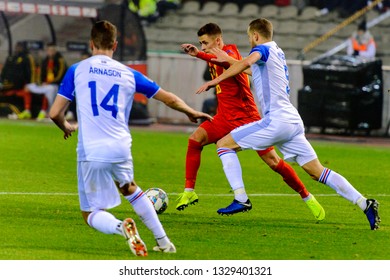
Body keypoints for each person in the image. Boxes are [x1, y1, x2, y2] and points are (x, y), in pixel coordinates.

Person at [196, 18, 380, 230]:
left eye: (249, 38)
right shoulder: (277, 52)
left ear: (255, 36)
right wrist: (216, 55)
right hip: (292, 121)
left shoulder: (262, 50)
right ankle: (365, 203)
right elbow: (245, 67)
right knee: (317, 171)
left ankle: (241, 198)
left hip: (276, 120)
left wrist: (214, 81)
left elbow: (246, 63)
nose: (250, 42)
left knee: (224, 145)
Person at [49, 20, 212, 256]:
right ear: (115, 45)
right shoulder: (129, 73)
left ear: (91, 43)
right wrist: (191, 111)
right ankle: (164, 242)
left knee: (90, 213)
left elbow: (55, 112)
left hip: (92, 150)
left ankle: (121, 228)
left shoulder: (78, 69)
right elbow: (168, 98)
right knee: (131, 189)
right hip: (121, 147)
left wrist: (65, 126)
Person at [177, 23, 325, 220]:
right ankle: (189, 191)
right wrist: (198, 54)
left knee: (273, 162)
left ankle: (307, 197)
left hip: (246, 117)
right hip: (224, 117)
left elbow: (233, 64)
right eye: (200, 43)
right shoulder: (214, 54)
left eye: (205, 43)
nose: (203, 47)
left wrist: (202, 58)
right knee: (195, 140)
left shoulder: (230, 51)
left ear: (218, 41)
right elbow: (217, 60)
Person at [26, 43, 67, 121]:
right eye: (49, 50)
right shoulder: (45, 61)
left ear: (55, 51)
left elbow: (60, 75)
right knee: (29, 86)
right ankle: (28, 110)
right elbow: (40, 74)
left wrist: (50, 82)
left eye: (52, 50)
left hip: (56, 85)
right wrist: (40, 82)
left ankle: (50, 112)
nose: (50, 52)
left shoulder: (60, 61)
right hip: (45, 84)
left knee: (50, 90)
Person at [0, 42, 36, 119]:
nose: (18, 48)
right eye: (17, 47)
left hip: (20, 85)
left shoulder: (27, 57)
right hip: (9, 85)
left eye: (19, 47)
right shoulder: (11, 58)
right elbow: (4, 72)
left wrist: (30, 83)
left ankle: (27, 111)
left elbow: (31, 71)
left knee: (26, 92)